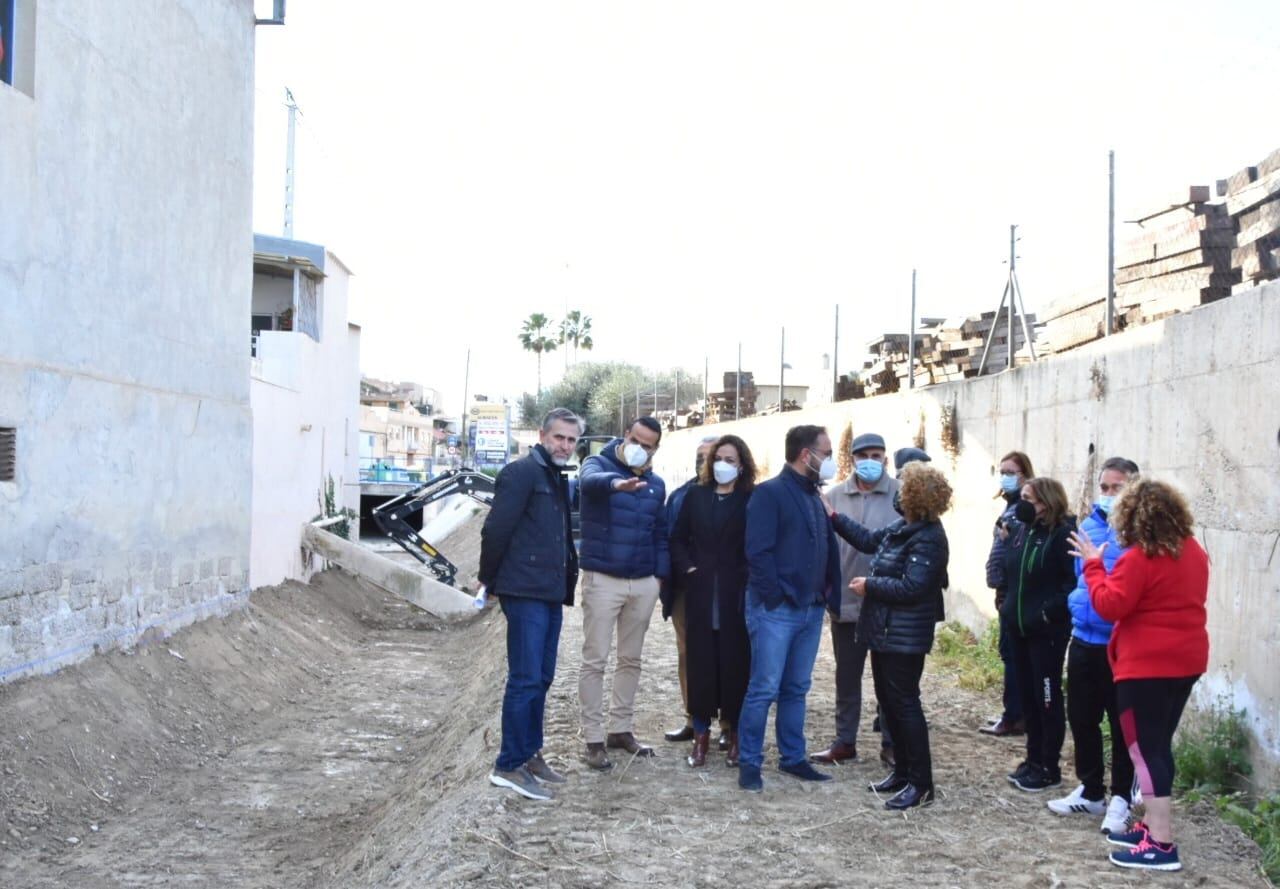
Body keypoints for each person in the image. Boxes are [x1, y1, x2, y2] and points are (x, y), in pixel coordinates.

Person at [1072, 479, 1209, 872]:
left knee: (1145, 753)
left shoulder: (1139, 557)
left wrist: (1094, 566)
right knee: (1158, 745)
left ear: (1131, 516)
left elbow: (1109, 605)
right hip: (1186, 661)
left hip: (1147, 665)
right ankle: (1151, 826)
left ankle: (1162, 843)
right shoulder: (1193, 551)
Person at [829, 462, 951, 809]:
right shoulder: (905, 527)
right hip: (885, 632)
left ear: (913, 496)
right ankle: (902, 772)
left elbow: (914, 586)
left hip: (904, 636)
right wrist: (834, 516)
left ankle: (921, 783)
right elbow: (869, 540)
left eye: (904, 487)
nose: (897, 492)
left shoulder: (929, 537)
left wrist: (870, 585)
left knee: (905, 704)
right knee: (889, 704)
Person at [481, 408, 582, 800]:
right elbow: (496, 529)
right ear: (542, 435)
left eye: (572, 440)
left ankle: (530, 754)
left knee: (542, 676)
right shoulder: (522, 473)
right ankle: (508, 764)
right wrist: (488, 579)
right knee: (524, 678)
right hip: (524, 591)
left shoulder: (555, 476)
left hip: (548, 590)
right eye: (559, 437)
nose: (565, 445)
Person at [737, 425, 842, 793]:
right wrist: (775, 598)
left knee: (796, 687)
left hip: (810, 609)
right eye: (826, 453)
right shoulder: (770, 494)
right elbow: (758, 552)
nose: (830, 460)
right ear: (805, 455)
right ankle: (749, 763)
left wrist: (824, 595)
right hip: (777, 610)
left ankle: (793, 758)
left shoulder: (814, 495)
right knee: (763, 688)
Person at [1048, 457, 1141, 833]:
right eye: (1104, 487)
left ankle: (1121, 797)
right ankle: (1090, 790)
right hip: (1083, 639)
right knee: (1082, 718)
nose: (1107, 494)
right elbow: (1081, 581)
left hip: (1120, 645)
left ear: (1133, 489)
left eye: (1116, 488)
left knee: (1121, 725)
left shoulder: (1140, 536)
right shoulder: (1088, 526)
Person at [576, 417, 670, 770]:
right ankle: (593, 738)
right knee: (595, 659)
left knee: (631, 659)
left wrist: (659, 577)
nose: (640, 448)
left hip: (643, 582)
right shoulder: (596, 464)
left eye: (648, 445)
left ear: (655, 449)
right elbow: (588, 483)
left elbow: (660, 532)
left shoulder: (656, 484)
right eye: (635, 440)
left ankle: (621, 729)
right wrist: (617, 483)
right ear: (624, 436)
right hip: (603, 579)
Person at [811, 432, 899, 770]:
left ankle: (892, 743)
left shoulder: (901, 496)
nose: (871, 462)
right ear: (852, 460)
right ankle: (844, 741)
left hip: (887, 604)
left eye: (877, 455)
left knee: (889, 679)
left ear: (886, 460)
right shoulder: (832, 497)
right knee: (847, 677)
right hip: (846, 602)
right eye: (864, 456)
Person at [669, 435, 757, 768]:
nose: (723, 464)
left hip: (737, 594)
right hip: (702, 593)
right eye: (719, 458)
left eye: (731, 459)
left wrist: (747, 575)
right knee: (701, 666)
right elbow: (677, 538)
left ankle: (735, 737)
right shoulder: (695, 495)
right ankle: (701, 739)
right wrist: (689, 567)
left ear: (742, 464)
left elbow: (758, 542)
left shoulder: (751, 498)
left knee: (736, 667)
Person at [1001, 476, 1076, 792]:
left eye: (1029, 499)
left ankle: (1048, 766)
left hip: (1045, 633)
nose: (1023, 505)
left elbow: (1070, 586)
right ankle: (1032, 760)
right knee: (1028, 698)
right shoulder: (1022, 531)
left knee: (1047, 699)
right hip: (1017, 629)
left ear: (1047, 501)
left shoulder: (1064, 535)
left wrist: (1047, 613)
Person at [661, 434, 720, 745]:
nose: (704, 462)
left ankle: (728, 724)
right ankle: (693, 719)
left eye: (710, 456)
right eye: (699, 456)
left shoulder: (743, 496)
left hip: (727, 590)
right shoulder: (680, 496)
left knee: (727, 652)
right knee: (689, 654)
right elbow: (671, 540)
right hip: (687, 590)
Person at [981, 450, 1036, 736]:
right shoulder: (1011, 506)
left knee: (1013, 655)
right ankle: (1014, 712)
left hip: (1014, 593)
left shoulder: (1023, 510)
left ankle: (1015, 716)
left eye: (1010, 472)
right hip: (1006, 590)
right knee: (1009, 653)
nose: (1005, 476)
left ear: (1024, 474)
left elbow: (1019, 547)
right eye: (1002, 471)